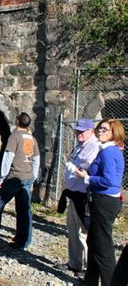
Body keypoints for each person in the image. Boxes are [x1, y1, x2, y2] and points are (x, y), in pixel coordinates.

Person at [0, 112, 40, 250]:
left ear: (17, 122)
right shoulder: (32, 139)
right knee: (24, 210)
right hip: (27, 177)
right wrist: (33, 178)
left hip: (14, 178)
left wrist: (1, 178)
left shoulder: (14, 137)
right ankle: (23, 242)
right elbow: (36, 160)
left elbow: (8, 158)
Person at [75, 119, 125, 286]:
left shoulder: (109, 152)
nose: (100, 131)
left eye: (105, 129)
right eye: (100, 128)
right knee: (94, 242)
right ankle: (90, 281)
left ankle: (111, 283)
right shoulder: (108, 150)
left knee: (103, 248)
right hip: (103, 200)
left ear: (114, 133)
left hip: (104, 201)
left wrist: (87, 177)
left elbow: (109, 180)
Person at [55, 118, 99, 278]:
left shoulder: (93, 146)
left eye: (82, 131)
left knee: (82, 232)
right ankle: (75, 262)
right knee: (73, 229)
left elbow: (86, 167)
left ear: (90, 131)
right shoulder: (81, 146)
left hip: (83, 195)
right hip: (74, 194)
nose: (78, 133)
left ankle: (87, 268)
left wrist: (73, 168)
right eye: (77, 131)